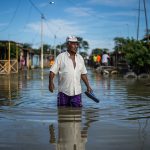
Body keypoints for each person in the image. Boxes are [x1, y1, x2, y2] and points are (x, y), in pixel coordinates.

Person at [49, 36, 92, 107]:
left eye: (77, 44)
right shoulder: (61, 57)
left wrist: (88, 86)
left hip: (77, 92)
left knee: (77, 113)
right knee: (62, 112)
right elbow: (52, 72)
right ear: (68, 45)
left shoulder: (80, 58)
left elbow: (83, 74)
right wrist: (50, 83)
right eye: (73, 44)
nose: (76, 46)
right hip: (63, 92)